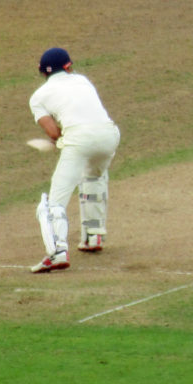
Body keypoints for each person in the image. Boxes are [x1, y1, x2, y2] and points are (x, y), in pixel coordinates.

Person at [28, 47, 121, 273]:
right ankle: (93, 236)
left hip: (79, 139)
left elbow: (53, 133)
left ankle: (58, 252)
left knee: (53, 203)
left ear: (42, 73)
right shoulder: (82, 80)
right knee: (94, 176)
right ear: (69, 67)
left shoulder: (38, 97)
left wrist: (61, 141)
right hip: (110, 135)